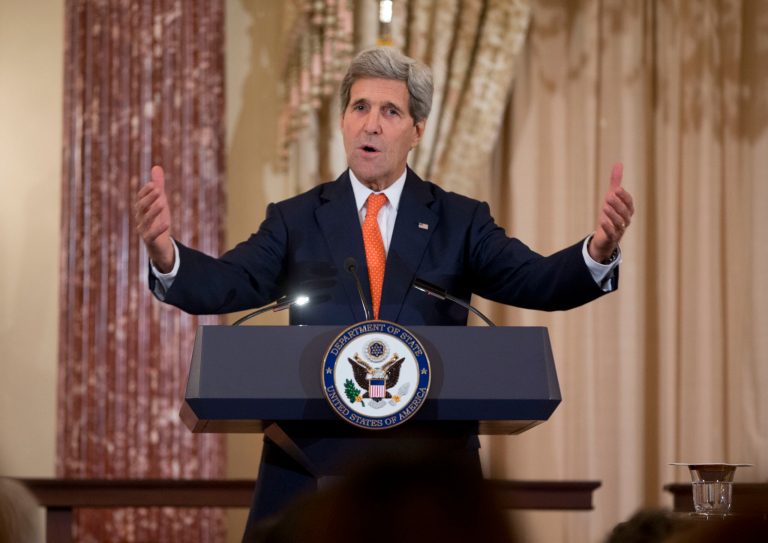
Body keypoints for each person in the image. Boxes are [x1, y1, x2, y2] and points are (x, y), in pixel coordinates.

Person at [135, 47, 634, 538]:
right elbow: (229, 283)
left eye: (390, 111)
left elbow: (536, 280)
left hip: (428, 478)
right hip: (309, 466)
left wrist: (596, 249)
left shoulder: (459, 220)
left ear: (417, 130)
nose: (371, 124)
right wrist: (166, 255)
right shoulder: (296, 219)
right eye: (360, 107)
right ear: (344, 121)